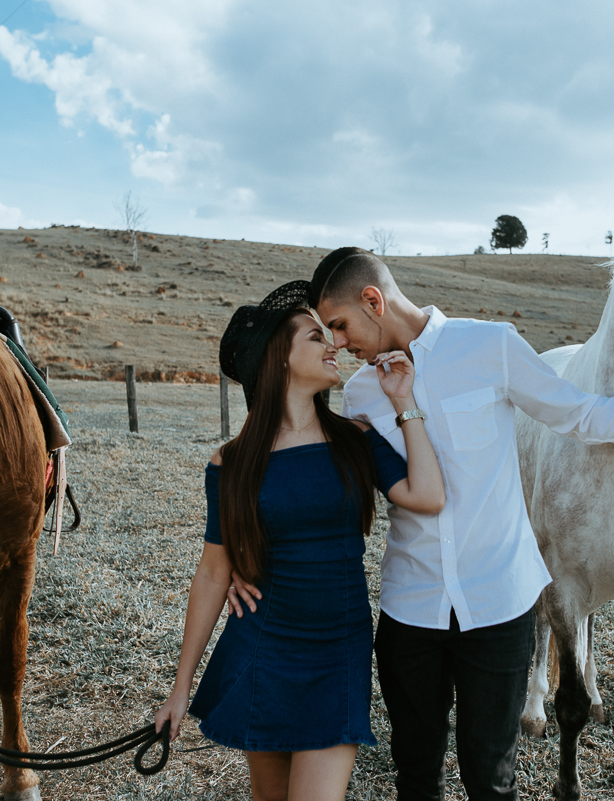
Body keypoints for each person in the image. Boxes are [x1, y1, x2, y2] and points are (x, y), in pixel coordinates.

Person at [229, 249, 614, 801]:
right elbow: (304, 466)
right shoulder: (359, 393)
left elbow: (583, 414)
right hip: (411, 613)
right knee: (417, 776)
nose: (337, 342)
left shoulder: (491, 347)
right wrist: (248, 553)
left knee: (492, 782)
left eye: (339, 324)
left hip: (499, 609)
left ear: (373, 301)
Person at [155, 279, 445, 801]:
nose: (334, 343)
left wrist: (404, 403)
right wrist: (181, 690)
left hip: (339, 650)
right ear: (279, 361)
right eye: (316, 337)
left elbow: (427, 495)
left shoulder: (354, 438)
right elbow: (213, 572)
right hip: (263, 646)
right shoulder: (232, 463)